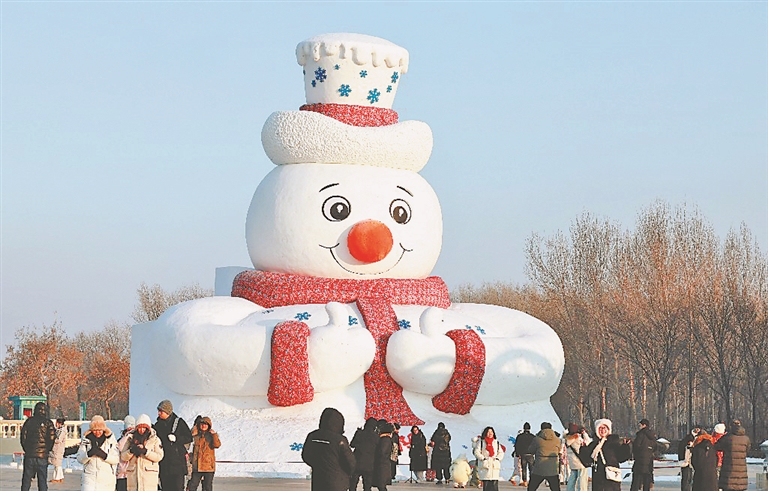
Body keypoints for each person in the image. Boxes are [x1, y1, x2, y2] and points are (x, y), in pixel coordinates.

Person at [301, 407, 355, 491]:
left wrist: (318, 465)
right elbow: (350, 463)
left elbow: (306, 456)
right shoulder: (339, 440)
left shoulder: (312, 436)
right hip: (338, 483)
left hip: (318, 482)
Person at [581, 419, 631, 491]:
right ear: (597, 430)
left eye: (605, 428)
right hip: (598, 478)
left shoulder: (614, 443)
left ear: (608, 429)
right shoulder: (593, 444)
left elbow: (621, 458)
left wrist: (625, 447)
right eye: (600, 428)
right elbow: (586, 460)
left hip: (611, 477)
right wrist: (583, 448)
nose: (603, 430)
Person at [153, 400, 192, 491]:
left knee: (178, 488)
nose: (159, 413)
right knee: (166, 488)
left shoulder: (179, 422)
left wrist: (176, 438)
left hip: (177, 464)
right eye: (158, 411)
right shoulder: (158, 425)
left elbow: (189, 437)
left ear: (168, 412)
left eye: (161, 411)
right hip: (164, 464)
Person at [121, 414, 164, 491]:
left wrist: (146, 452)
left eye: (144, 428)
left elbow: (159, 456)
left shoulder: (154, 439)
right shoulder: (130, 438)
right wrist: (131, 451)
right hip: (133, 477)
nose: (141, 430)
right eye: (139, 428)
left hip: (148, 477)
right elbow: (123, 456)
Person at [21, 401, 57, 491]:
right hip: (42, 456)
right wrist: (47, 449)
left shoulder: (29, 421)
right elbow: (52, 438)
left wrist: (27, 449)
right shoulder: (48, 423)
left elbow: (23, 438)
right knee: (42, 481)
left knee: (26, 480)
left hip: (30, 455)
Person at [77, 415, 119, 491]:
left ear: (103, 429)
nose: (97, 432)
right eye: (95, 430)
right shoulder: (86, 440)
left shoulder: (110, 440)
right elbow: (80, 459)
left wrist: (104, 455)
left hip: (106, 480)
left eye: (100, 430)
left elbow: (116, 459)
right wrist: (89, 454)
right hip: (89, 479)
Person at [714, 420, 750, 491]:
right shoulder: (746, 439)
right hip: (741, 472)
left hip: (728, 471)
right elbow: (747, 450)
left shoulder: (728, 438)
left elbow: (717, 446)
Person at [188, 416, 221, 491]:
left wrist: (214, 435)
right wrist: (194, 430)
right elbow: (188, 444)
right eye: (202, 424)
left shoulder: (211, 436)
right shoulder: (195, 435)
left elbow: (217, 445)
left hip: (208, 467)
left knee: (207, 487)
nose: (203, 426)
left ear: (209, 425)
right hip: (197, 466)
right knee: (192, 486)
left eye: (205, 424)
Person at [526, 422, 560, 491]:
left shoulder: (537, 439)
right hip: (553, 467)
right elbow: (558, 450)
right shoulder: (557, 440)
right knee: (555, 488)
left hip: (539, 466)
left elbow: (531, 450)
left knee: (532, 488)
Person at [350, 418, 379, 491]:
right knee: (367, 486)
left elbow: (352, 445)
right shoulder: (376, 436)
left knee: (353, 485)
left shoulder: (359, 433)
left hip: (357, 462)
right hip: (369, 464)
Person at [472, 426, 505, 491]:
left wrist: (497, 459)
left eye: (491, 432)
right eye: (488, 432)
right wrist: (483, 458)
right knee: (486, 486)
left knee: (494, 486)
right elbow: (476, 452)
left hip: (494, 466)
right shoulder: (481, 442)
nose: (490, 433)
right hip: (485, 466)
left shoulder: (496, 442)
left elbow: (501, 452)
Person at [630, 419, 657, 491]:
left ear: (644, 425)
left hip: (640, 460)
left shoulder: (641, 434)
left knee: (636, 480)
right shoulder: (653, 435)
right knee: (647, 480)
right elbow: (655, 447)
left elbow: (636, 446)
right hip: (649, 460)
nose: (639, 426)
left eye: (640, 425)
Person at [563, 423, 591, 491]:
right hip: (580, 462)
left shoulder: (567, 439)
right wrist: (584, 433)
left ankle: (569, 489)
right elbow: (588, 442)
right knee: (582, 478)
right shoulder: (577, 439)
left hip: (572, 462)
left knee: (572, 477)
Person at [678, 424, 701, 491]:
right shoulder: (687, 439)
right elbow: (681, 449)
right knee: (687, 479)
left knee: (691, 479)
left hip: (694, 461)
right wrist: (683, 459)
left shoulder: (699, 438)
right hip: (688, 462)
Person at [373, 423, 395, 491]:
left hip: (382, 465)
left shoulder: (385, 439)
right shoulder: (386, 439)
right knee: (381, 485)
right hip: (383, 464)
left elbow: (382, 451)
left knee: (381, 485)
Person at [115, 416, 136, 491]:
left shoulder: (135, 438)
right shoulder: (122, 439)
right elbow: (120, 447)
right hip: (121, 473)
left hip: (131, 472)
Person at [514, 422, 535, 487]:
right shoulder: (532, 436)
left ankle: (525, 481)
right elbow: (535, 445)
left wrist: (517, 453)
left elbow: (517, 445)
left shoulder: (520, 436)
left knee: (524, 468)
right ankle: (532, 481)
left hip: (523, 454)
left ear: (523, 428)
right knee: (531, 469)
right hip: (530, 454)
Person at [49, 418, 67, 484]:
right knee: (57, 464)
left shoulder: (61, 431)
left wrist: (52, 439)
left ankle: (57, 478)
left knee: (57, 464)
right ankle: (59, 477)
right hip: (57, 449)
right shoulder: (59, 430)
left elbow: (58, 439)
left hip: (58, 449)